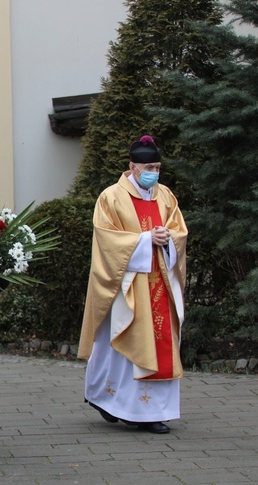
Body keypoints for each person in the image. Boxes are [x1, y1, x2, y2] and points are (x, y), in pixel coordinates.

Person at [78, 135, 187, 434]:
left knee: (159, 342)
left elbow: (179, 231)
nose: (154, 172)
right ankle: (114, 401)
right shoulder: (111, 197)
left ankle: (151, 411)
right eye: (148, 166)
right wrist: (144, 240)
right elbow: (105, 238)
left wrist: (168, 240)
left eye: (157, 166)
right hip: (126, 284)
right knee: (121, 344)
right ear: (132, 166)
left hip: (159, 282)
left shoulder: (165, 196)